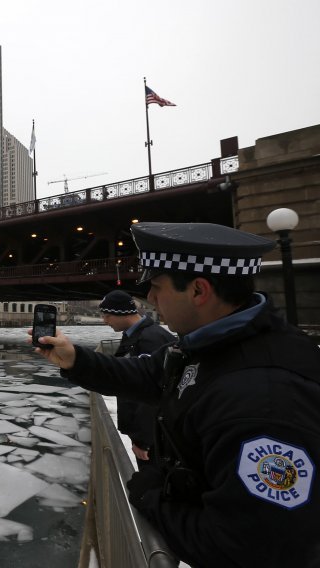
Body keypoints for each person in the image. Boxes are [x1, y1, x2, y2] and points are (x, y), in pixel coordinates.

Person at [31, 222, 320, 568]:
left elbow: (245, 546)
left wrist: (152, 496)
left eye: (156, 286)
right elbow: (148, 375)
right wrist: (75, 359)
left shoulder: (265, 398)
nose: (150, 298)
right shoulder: (212, 344)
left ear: (198, 290)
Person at [98, 290, 175, 469]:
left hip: (156, 438)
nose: (105, 321)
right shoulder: (140, 335)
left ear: (120, 313)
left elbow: (152, 393)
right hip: (154, 433)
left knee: (153, 480)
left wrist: (143, 440)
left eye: (107, 315)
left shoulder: (149, 340)